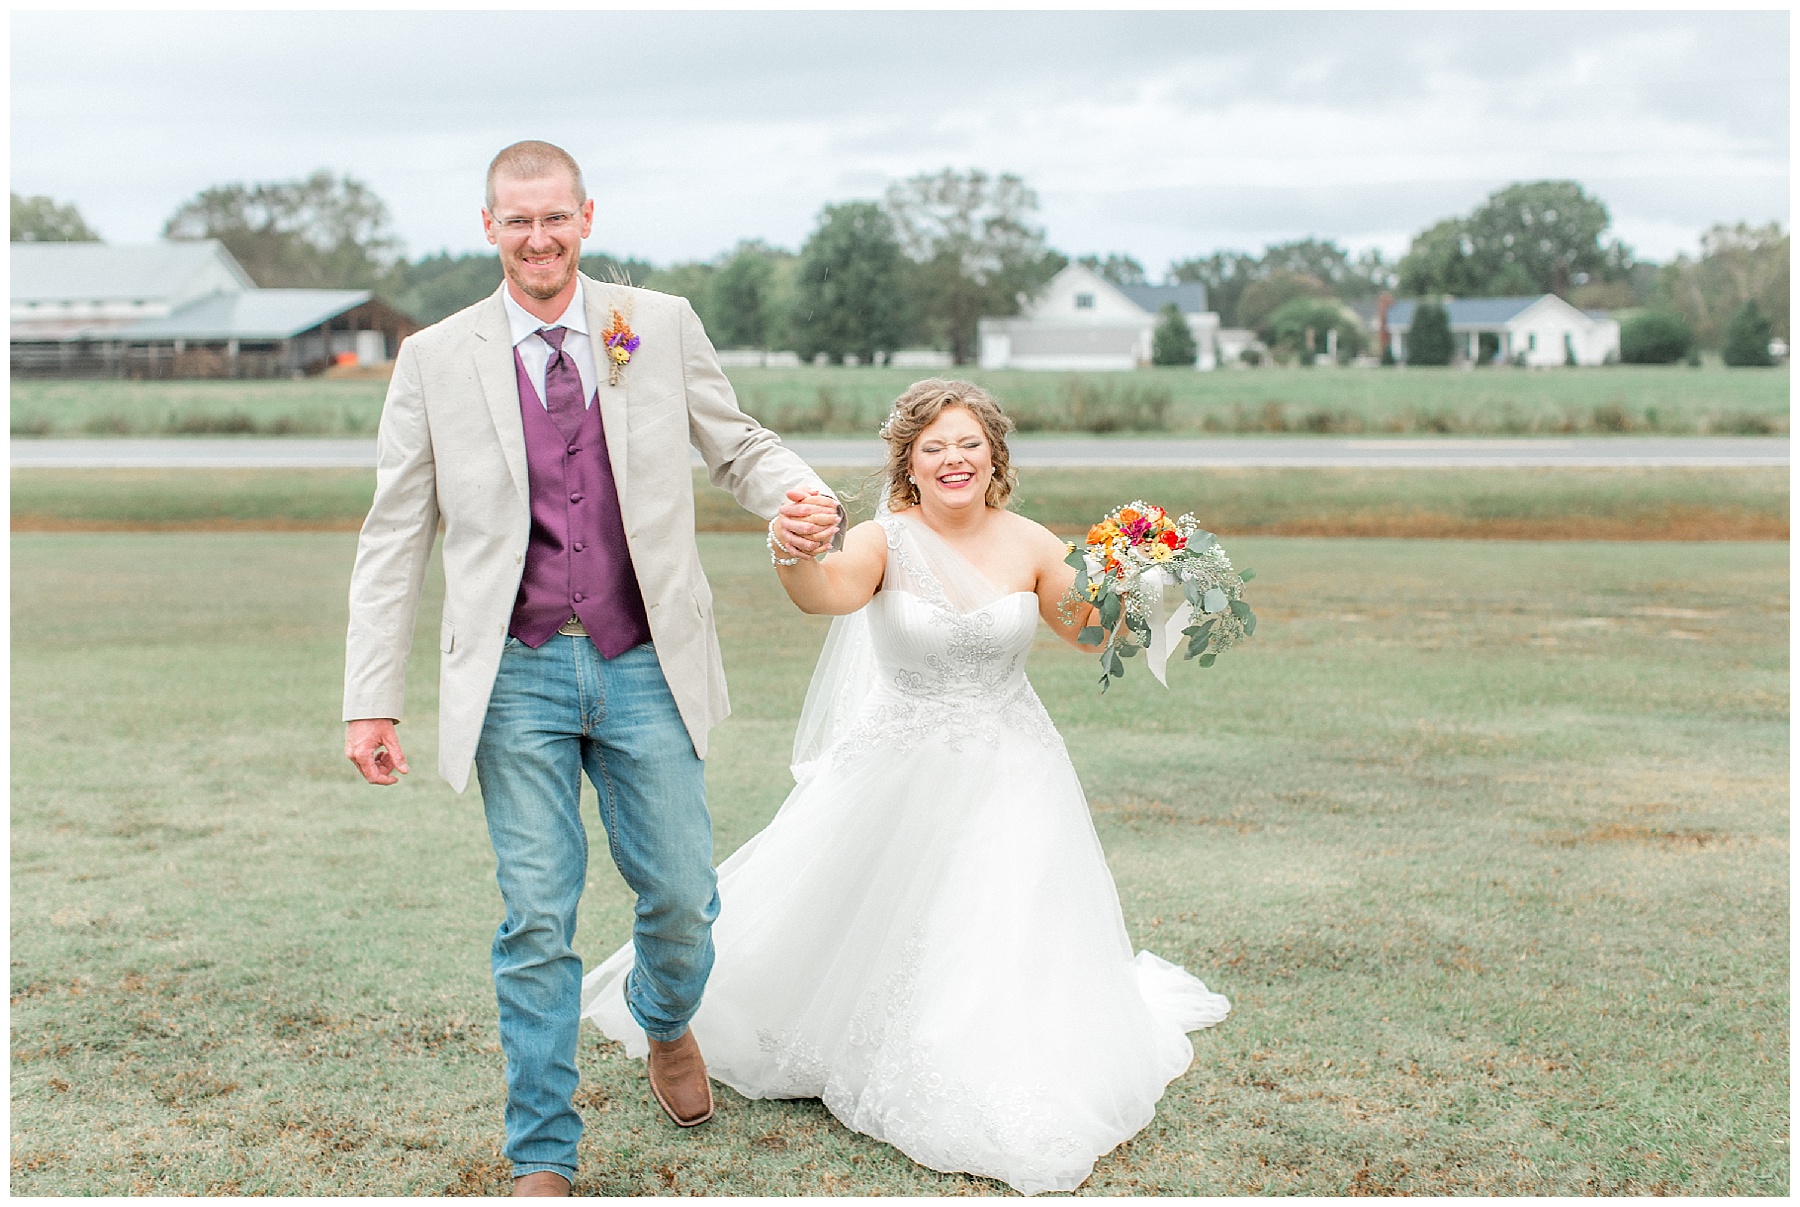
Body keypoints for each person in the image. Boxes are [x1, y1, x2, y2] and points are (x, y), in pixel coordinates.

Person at [581, 379, 1230, 1195]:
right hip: (898, 764)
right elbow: (827, 593)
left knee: (999, 916)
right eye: (934, 447)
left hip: (1012, 767)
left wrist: (1141, 581)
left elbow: (1091, 630)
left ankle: (992, 1059)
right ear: (910, 464)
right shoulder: (884, 541)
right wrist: (790, 548)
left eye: (968, 444)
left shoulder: (1031, 541)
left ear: (994, 457)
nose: (953, 460)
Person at [342, 140, 841, 1197]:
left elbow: (740, 445)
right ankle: (543, 1154)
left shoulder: (652, 325)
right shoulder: (434, 356)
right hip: (512, 675)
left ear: (586, 217)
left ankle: (664, 1017)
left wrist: (800, 493)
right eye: (517, 221)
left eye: (555, 218)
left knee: (680, 898)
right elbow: (395, 535)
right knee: (535, 912)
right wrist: (369, 700)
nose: (538, 238)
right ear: (488, 227)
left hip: (644, 658)